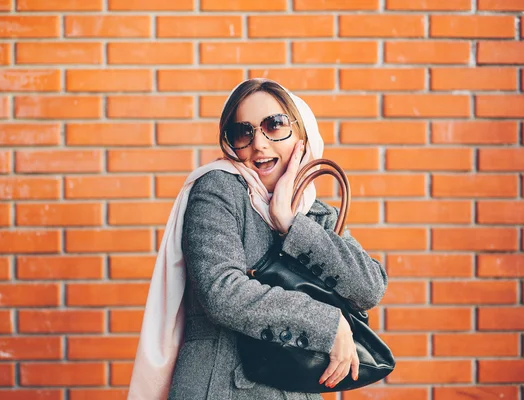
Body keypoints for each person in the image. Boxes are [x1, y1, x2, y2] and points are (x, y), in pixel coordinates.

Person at [127, 79, 388, 400]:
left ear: (303, 136)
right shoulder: (217, 189)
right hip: (221, 386)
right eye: (243, 132)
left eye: (275, 125)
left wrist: (292, 224)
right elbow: (222, 291)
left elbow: (370, 289)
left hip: (297, 391)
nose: (259, 143)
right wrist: (326, 323)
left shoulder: (316, 213)